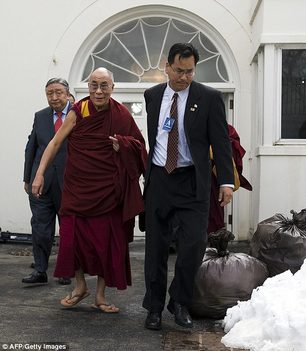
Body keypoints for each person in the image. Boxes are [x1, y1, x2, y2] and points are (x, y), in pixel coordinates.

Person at [31, 67, 147, 312]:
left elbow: (139, 147)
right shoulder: (78, 110)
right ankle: (80, 286)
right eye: (93, 85)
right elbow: (55, 142)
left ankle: (101, 296)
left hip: (107, 190)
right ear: (88, 87)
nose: (98, 91)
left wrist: (123, 146)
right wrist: (39, 174)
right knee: (72, 238)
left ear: (112, 88)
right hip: (78, 186)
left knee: (105, 241)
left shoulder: (122, 114)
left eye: (104, 85)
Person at [142, 43, 234, 330]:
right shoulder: (153, 95)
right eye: (179, 70)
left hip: (192, 180)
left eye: (190, 71)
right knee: (155, 247)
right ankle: (154, 307)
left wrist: (227, 181)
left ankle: (179, 302)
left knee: (193, 246)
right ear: (167, 66)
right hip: (159, 178)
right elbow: (156, 135)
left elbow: (220, 141)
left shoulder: (208, 97)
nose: (184, 77)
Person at [23, 78, 72, 285]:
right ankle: (40, 270)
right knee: (40, 228)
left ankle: (66, 271)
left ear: (67, 94)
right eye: (50, 93)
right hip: (41, 181)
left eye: (58, 92)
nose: (54, 97)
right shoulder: (41, 116)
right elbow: (31, 148)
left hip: (69, 183)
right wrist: (28, 178)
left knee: (68, 229)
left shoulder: (77, 115)